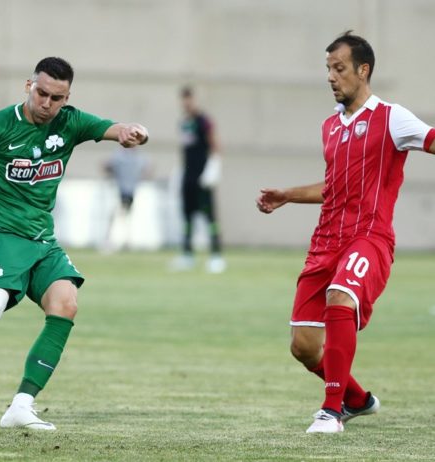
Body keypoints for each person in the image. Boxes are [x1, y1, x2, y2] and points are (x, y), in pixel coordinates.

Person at [0, 57, 149, 431]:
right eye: (41, 93)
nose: (47, 103)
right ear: (28, 86)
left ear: (67, 98)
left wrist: (131, 131)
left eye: (56, 98)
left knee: (66, 303)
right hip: (0, 234)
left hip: (42, 239)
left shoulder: (70, 122)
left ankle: (20, 407)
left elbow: (112, 129)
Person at [256, 31, 435, 433]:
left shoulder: (391, 117)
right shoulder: (330, 127)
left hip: (369, 238)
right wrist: (288, 195)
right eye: (328, 69)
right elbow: (335, 186)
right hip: (325, 242)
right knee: (304, 347)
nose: (331, 77)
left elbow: (431, 139)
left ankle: (331, 411)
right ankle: (357, 399)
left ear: (363, 70)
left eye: (339, 68)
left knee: (341, 296)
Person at [171, 86, 225, 273]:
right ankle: (187, 255)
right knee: (187, 217)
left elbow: (215, 145)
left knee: (210, 217)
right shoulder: (184, 123)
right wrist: (179, 172)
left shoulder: (204, 121)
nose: (186, 103)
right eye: (183, 99)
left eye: (189, 99)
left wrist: (213, 168)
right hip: (188, 177)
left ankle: (216, 256)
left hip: (203, 178)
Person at [101, 146, 150, 251]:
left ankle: (125, 241)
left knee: (125, 217)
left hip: (130, 191)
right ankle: (112, 241)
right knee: (118, 216)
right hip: (119, 190)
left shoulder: (135, 157)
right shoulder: (121, 156)